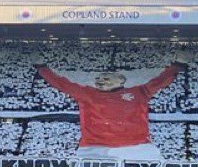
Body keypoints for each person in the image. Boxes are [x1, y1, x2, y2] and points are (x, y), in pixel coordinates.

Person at [36, 58, 184, 161]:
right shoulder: (87, 93)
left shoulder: (138, 92)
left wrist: (177, 64)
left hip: (138, 147)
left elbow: (159, 81)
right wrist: (41, 68)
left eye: (105, 78)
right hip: (94, 148)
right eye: (98, 79)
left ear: (121, 81)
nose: (100, 81)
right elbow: (61, 83)